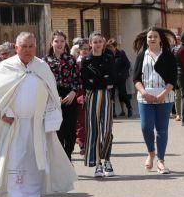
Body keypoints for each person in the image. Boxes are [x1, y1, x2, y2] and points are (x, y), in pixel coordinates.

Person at [0, 32, 76, 197]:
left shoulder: (41, 67)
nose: (28, 50)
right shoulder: (6, 67)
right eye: (24, 46)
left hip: (35, 123)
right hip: (12, 123)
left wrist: (49, 113)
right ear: (16, 48)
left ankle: (32, 196)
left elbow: (52, 94)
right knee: (14, 160)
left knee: (34, 159)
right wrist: (3, 112)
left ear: (36, 47)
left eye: (31, 46)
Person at [133, 27, 178, 173]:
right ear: (146, 39)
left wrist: (163, 95)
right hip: (145, 97)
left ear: (160, 39)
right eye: (149, 37)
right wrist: (144, 93)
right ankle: (151, 152)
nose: (152, 39)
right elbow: (136, 79)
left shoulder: (168, 55)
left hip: (164, 97)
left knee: (162, 129)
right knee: (146, 127)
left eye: (155, 37)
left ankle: (161, 160)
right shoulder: (141, 55)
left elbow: (173, 78)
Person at [80, 31, 116, 177]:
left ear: (104, 43)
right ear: (90, 44)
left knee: (107, 130)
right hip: (92, 97)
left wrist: (98, 81)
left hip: (106, 96)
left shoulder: (109, 58)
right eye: (94, 42)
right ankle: (98, 164)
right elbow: (85, 81)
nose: (97, 44)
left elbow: (112, 79)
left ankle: (107, 159)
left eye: (100, 41)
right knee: (93, 130)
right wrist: (102, 81)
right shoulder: (86, 60)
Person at [45, 31, 79, 159]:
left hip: (69, 96)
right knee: (57, 131)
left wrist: (73, 92)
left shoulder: (71, 60)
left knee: (70, 131)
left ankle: (68, 155)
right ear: (51, 43)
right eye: (56, 41)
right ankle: (60, 161)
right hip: (52, 98)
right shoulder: (45, 61)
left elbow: (77, 79)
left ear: (65, 43)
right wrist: (53, 95)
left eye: (62, 41)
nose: (59, 44)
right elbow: (42, 82)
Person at [108, 38, 133, 117]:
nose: (110, 49)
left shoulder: (121, 53)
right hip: (111, 78)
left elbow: (127, 64)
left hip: (121, 78)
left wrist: (122, 73)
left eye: (111, 47)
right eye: (109, 47)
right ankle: (113, 112)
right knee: (111, 95)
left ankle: (129, 108)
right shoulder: (107, 55)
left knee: (123, 94)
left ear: (115, 47)